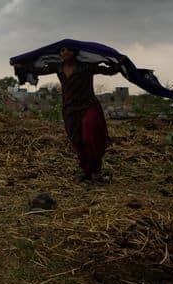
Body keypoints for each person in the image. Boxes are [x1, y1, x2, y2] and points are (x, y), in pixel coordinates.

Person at [32, 45, 121, 183]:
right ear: (60, 54)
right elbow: (38, 70)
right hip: (70, 109)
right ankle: (86, 171)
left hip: (88, 106)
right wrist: (20, 64)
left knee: (90, 138)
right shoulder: (58, 67)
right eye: (62, 50)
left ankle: (96, 172)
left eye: (69, 49)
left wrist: (118, 64)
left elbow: (107, 71)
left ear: (75, 52)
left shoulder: (86, 66)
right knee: (77, 140)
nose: (65, 51)